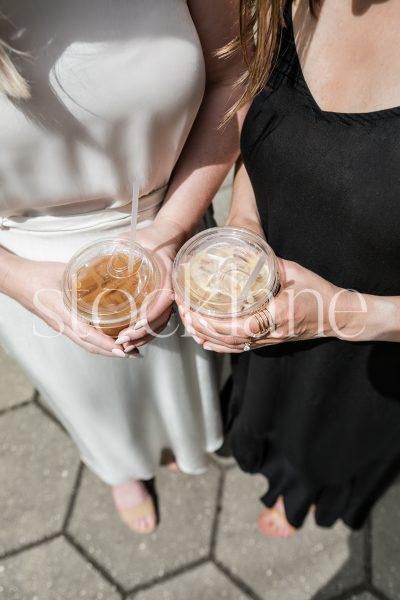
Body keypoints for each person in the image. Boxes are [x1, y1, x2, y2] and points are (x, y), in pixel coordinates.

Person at [0, 0, 245, 534]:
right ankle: (119, 465)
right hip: (29, 270)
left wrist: (169, 230)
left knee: (188, 368)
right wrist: (17, 280)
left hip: (172, 217)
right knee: (90, 393)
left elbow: (234, 75)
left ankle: (190, 436)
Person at [179, 0, 400, 538]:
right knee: (273, 415)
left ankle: (310, 494)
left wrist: (340, 315)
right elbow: (274, 123)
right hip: (276, 310)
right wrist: (244, 222)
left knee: (334, 445)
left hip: (375, 352)